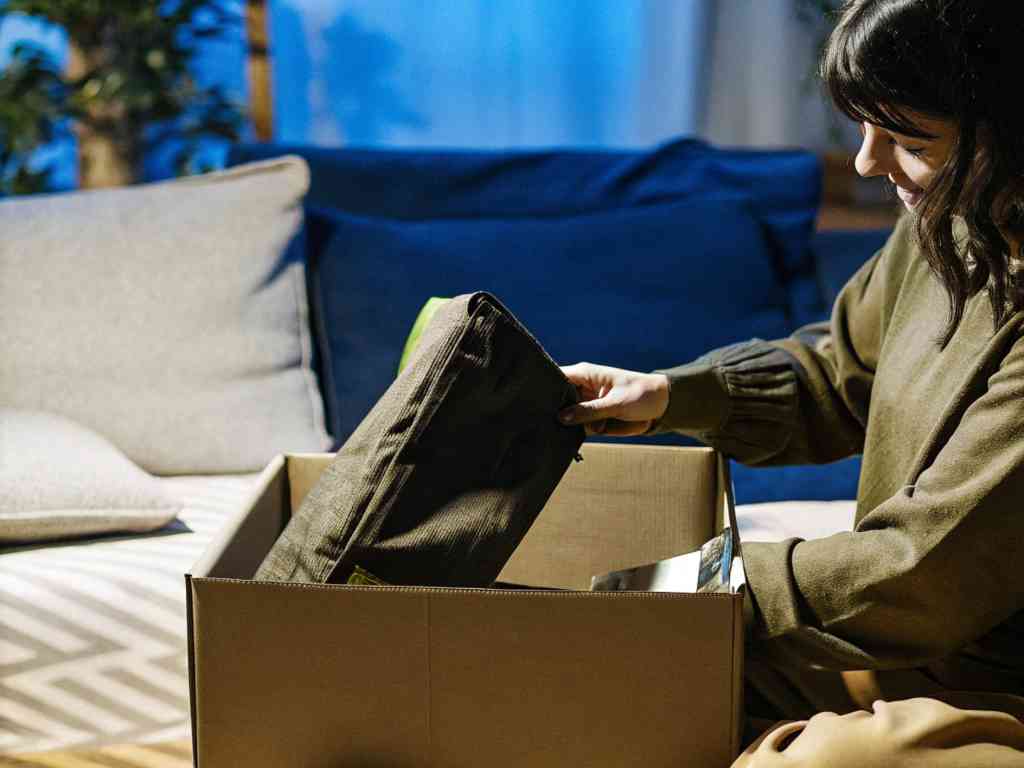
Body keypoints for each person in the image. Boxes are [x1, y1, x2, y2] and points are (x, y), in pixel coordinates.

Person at [557, 0, 1024, 756]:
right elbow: (843, 371)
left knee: (827, 756)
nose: (869, 162)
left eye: (907, 137)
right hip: (912, 650)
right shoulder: (954, 221)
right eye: (864, 127)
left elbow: (924, 575)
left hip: (985, 669)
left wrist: (696, 586)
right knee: (618, 672)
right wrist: (672, 395)